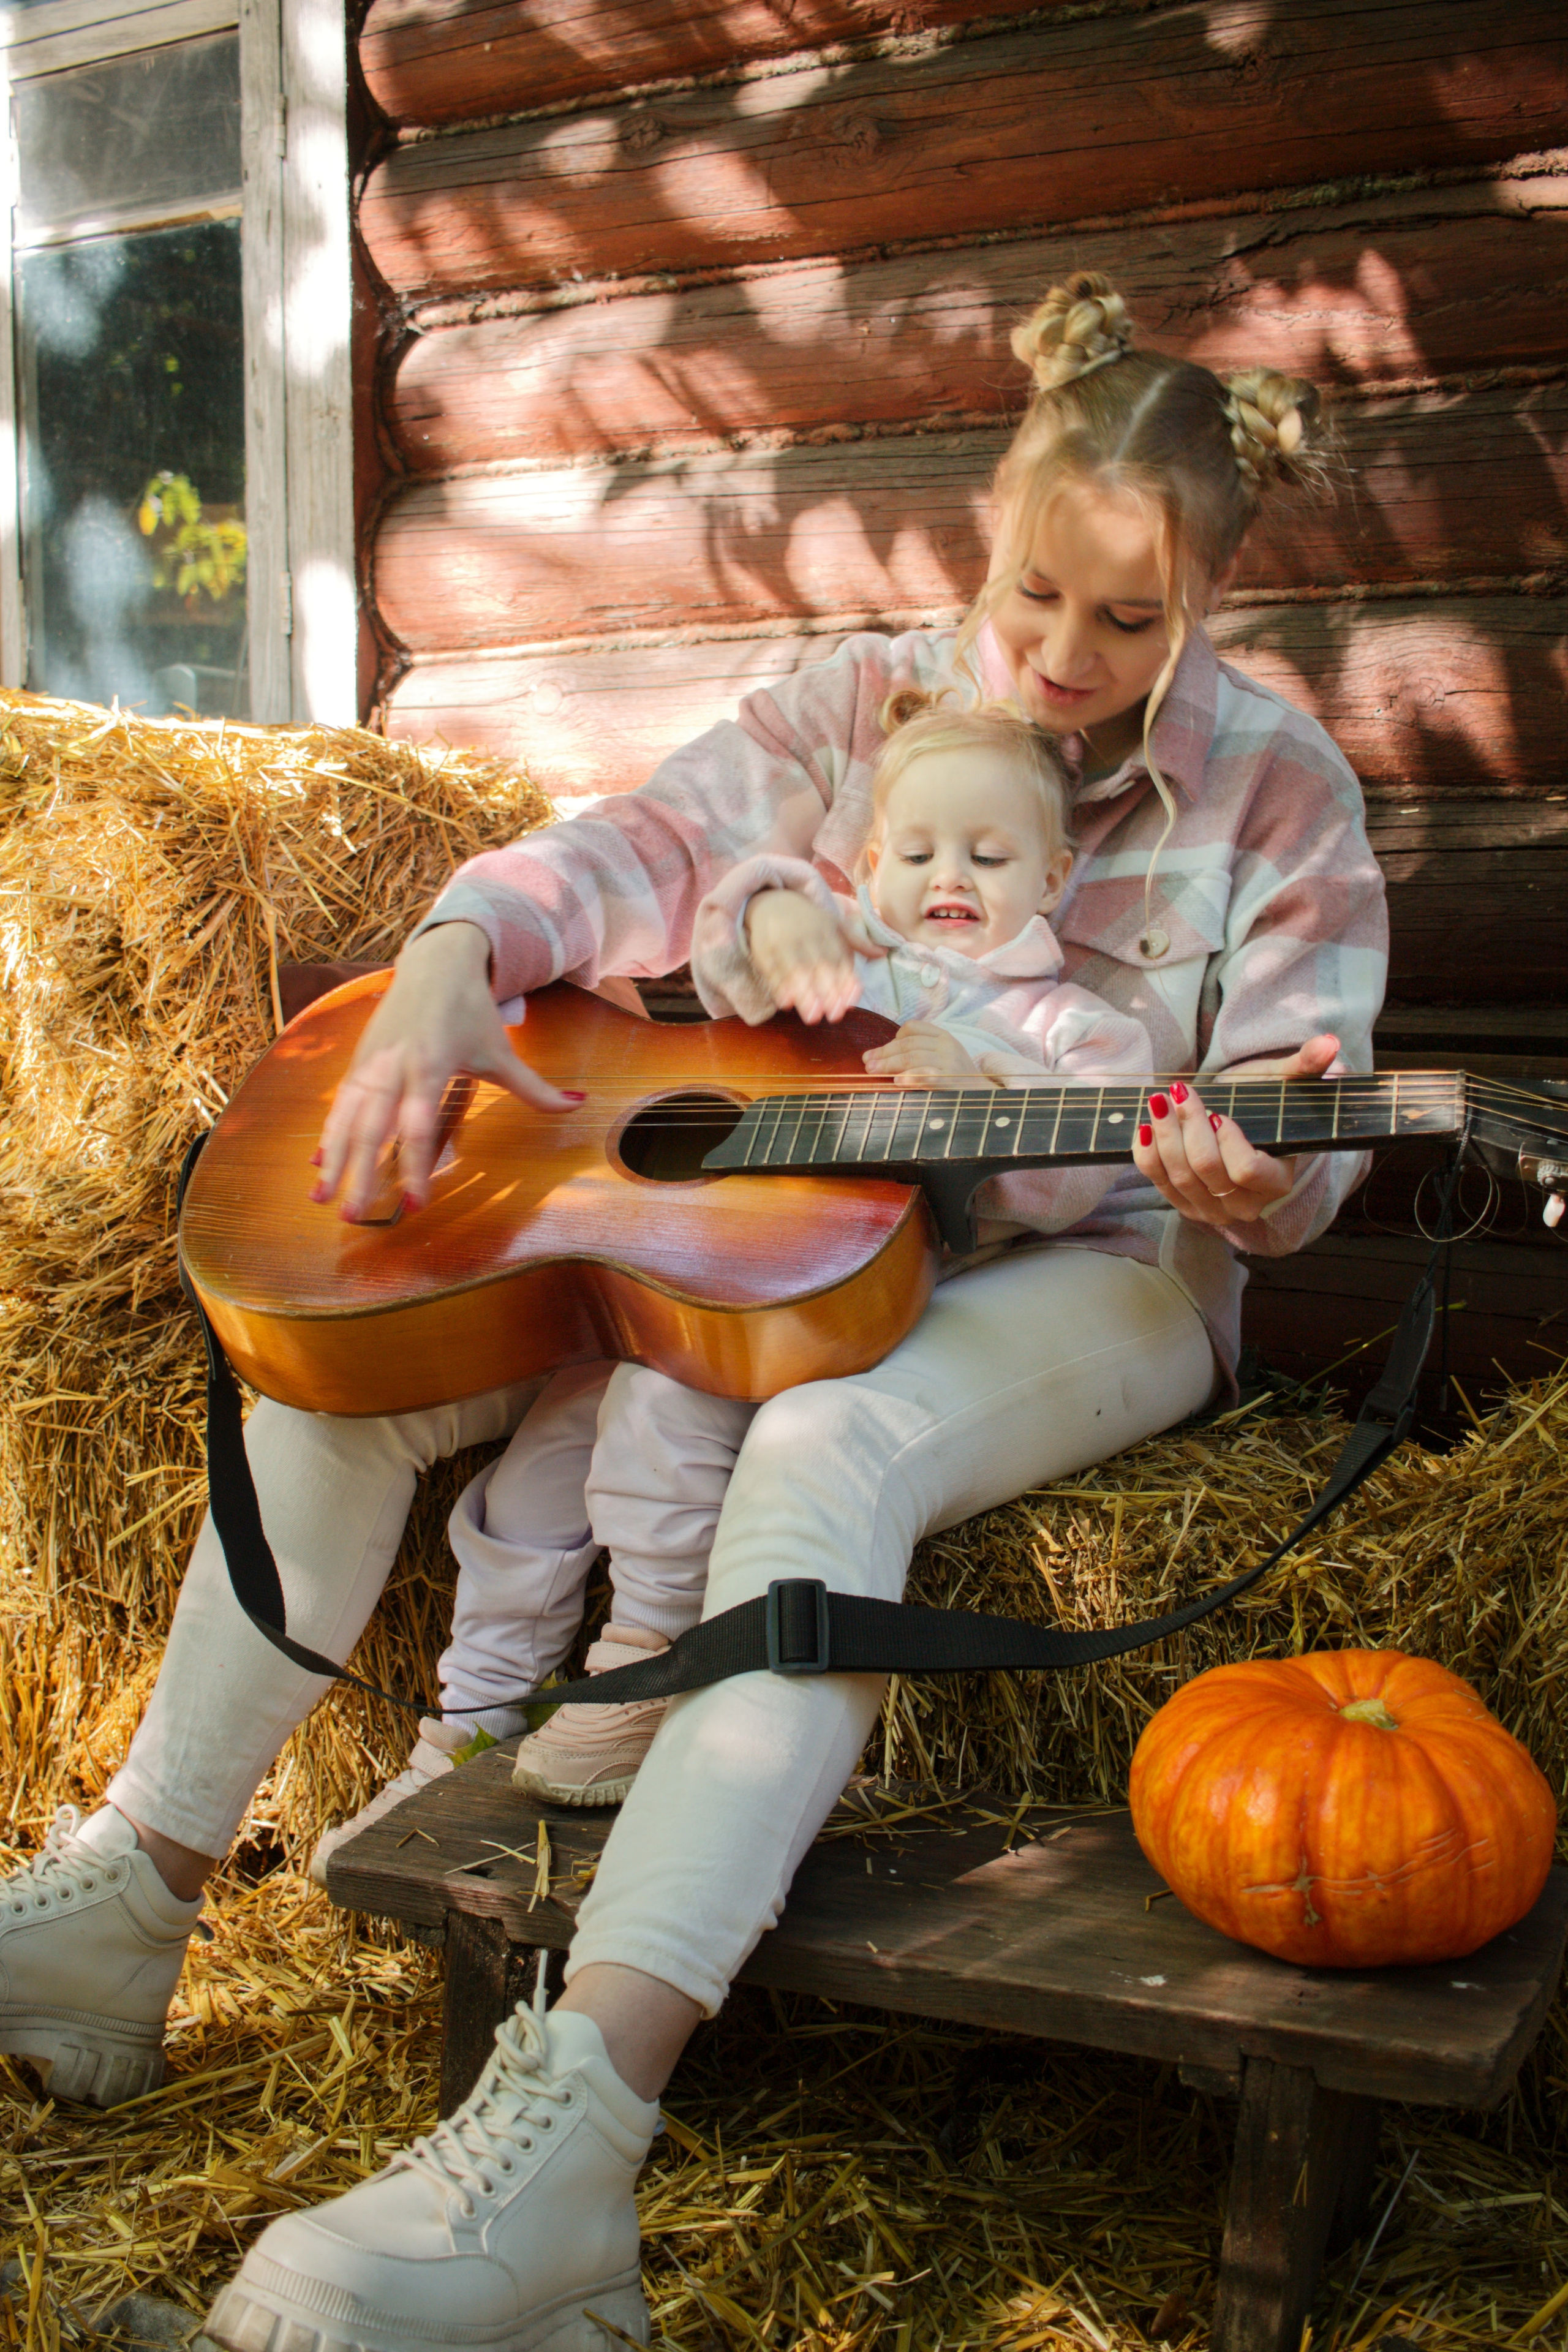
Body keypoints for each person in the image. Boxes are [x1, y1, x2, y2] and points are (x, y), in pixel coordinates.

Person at [0, 271, 1387, 2352]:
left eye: (1132, 619)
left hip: (1096, 1265)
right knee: (352, 1371)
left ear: (1212, 594)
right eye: (1033, 595)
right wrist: (456, 959)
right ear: (991, 529)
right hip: (785, 1224)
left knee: (822, 1450)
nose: (1061, 658)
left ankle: (570, 2144)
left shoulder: (1279, 792)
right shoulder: (860, 706)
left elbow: (1301, 1110)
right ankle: (132, 1896)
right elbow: (629, 851)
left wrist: (1263, 1167)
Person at [308, 698, 1155, 1871]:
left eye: (989, 856)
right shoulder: (848, 960)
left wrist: (984, 1088)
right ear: (873, 861)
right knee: (548, 1456)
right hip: (704, 1257)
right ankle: (472, 1716)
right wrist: (774, 909)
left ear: (1054, 875)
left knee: (661, 1410)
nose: (948, 877)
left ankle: (647, 1657)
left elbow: (1082, 1174)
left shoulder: (1072, 1028)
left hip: (843, 1299)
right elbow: (725, 969)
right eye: (916, 853)